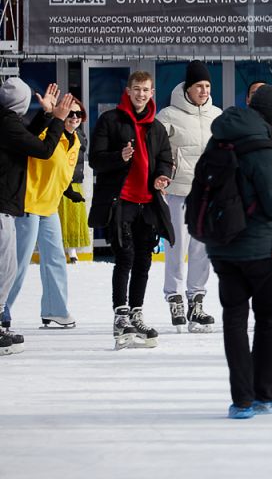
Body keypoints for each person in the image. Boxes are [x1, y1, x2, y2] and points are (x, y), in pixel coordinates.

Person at [206, 86, 272, 419]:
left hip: (223, 247)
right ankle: (263, 395)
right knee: (267, 320)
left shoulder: (218, 139)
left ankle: (241, 401)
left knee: (234, 321)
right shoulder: (262, 148)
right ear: (271, 117)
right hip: (261, 248)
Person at [88, 71, 174, 349]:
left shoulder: (157, 126)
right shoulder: (110, 120)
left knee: (144, 260)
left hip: (147, 202)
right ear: (128, 91)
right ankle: (120, 314)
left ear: (152, 93)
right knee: (125, 256)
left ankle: (136, 312)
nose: (141, 94)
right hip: (121, 200)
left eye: (146, 90)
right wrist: (119, 157)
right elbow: (95, 161)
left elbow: (165, 158)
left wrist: (162, 176)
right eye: (136, 89)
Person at [0, 79, 74, 355]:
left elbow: (27, 137)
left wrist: (47, 116)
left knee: (8, 266)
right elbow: (42, 150)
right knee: (6, 267)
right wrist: (57, 120)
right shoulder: (7, 124)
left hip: (9, 205)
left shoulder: (8, 122)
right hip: (6, 205)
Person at [157, 61, 219, 333]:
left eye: (207, 86)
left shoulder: (217, 115)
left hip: (206, 192)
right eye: (199, 86)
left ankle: (197, 299)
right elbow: (156, 149)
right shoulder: (168, 115)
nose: (203, 90)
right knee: (176, 246)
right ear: (188, 88)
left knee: (201, 248)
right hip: (177, 191)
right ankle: (174, 296)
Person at [57, 101, 90, 263]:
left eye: (79, 114)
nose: (75, 118)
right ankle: (59, 249)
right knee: (60, 217)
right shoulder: (56, 134)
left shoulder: (81, 135)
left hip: (75, 180)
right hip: (58, 183)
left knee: (75, 217)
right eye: (70, 114)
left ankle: (72, 250)